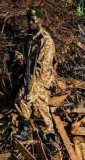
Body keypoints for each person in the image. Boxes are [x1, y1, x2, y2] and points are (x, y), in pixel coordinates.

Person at [12, 8, 56, 146]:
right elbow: (20, 51)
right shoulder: (29, 38)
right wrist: (19, 58)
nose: (30, 22)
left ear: (41, 21)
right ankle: (25, 130)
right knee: (23, 99)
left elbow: (42, 66)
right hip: (30, 76)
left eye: (33, 20)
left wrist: (31, 83)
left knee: (37, 104)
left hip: (42, 80)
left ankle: (49, 136)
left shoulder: (46, 41)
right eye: (28, 20)